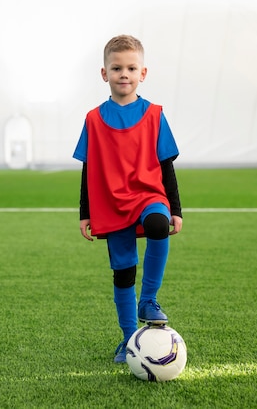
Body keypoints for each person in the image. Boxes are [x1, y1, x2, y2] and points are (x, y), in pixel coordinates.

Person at [72, 35, 183, 364]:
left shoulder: (154, 114)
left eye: (131, 68)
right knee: (123, 272)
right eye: (117, 67)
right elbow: (87, 169)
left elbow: (166, 165)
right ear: (104, 73)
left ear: (143, 73)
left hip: (148, 195)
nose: (124, 73)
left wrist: (175, 209)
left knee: (158, 225)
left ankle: (148, 299)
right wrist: (85, 213)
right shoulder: (93, 119)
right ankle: (128, 338)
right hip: (111, 202)